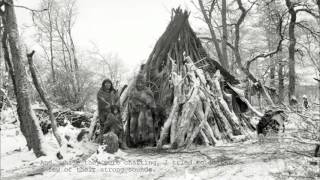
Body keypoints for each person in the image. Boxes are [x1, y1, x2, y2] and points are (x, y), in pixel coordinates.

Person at [128, 73, 156, 147]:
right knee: (133, 126)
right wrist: (133, 105)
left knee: (146, 126)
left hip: (145, 111)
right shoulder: (133, 91)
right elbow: (130, 101)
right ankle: (135, 142)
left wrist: (146, 102)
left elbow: (151, 101)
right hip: (135, 112)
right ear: (136, 83)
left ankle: (147, 142)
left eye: (141, 82)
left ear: (144, 83)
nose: (140, 84)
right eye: (138, 82)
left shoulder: (148, 90)